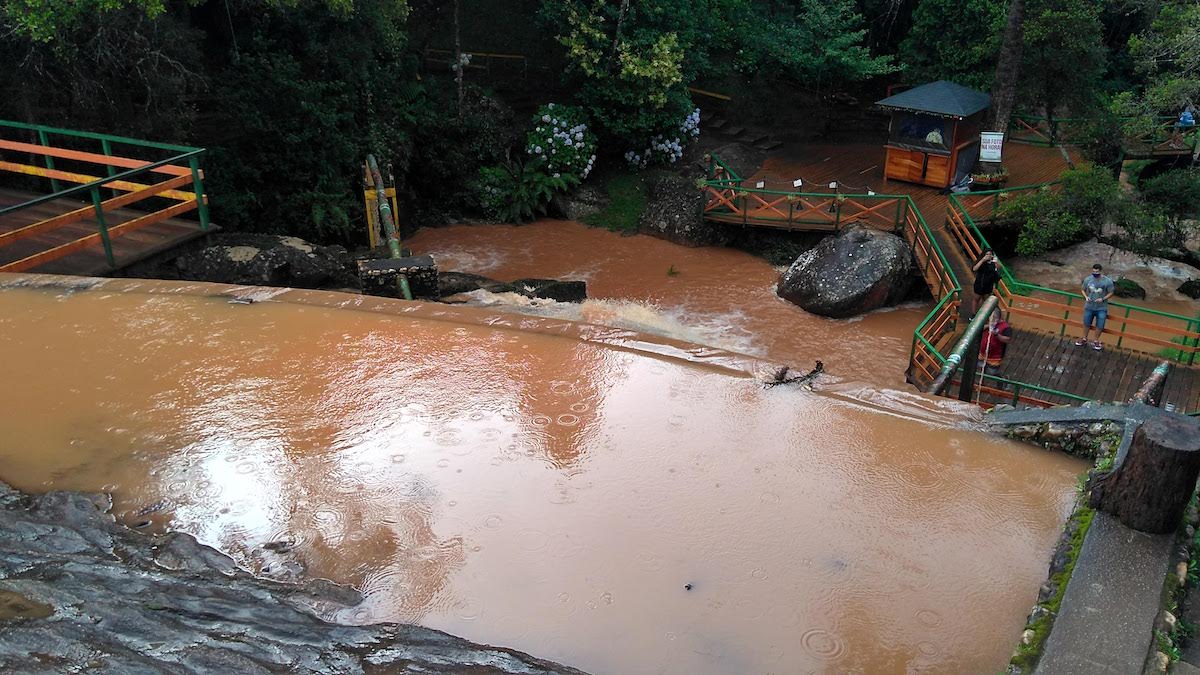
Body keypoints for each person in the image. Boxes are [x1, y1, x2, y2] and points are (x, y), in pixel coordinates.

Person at [1077, 263, 1114, 351]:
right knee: (1086, 323)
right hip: (1089, 306)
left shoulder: (1107, 281)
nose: (1095, 273)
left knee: (1100, 325)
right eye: (1093, 271)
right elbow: (1082, 289)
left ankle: (1096, 340)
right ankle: (1084, 338)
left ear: (1100, 271)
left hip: (1101, 307)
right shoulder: (1088, 279)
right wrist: (1086, 297)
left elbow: (1111, 292)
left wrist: (1103, 298)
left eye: (1097, 271)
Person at [979, 309, 1013, 385]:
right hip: (983, 352)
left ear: (999, 317)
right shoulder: (987, 323)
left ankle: (1001, 381)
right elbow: (978, 329)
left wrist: (997, 335)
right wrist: (988, 326)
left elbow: (1007, 339)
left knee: (993, 371)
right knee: (982, 367)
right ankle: (981, 382)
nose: (992, 319)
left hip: (995, 355)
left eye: (994, 317)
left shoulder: (1005, 327)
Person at [971, 249, 1001, 315]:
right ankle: (973, 314)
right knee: (976, 299)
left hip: (989, 285)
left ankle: (981, 314)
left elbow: (999, 267)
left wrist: (996, 261)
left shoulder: (993, 263)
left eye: (990, 254)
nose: (988, 256)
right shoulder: (981, 262)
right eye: (987, 254)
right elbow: (974, 269)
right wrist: (983, 260)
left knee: (985, 301)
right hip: (980, 284)